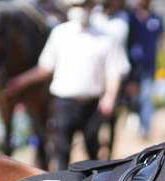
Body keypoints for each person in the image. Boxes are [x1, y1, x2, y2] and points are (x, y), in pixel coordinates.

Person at [7, 0, 130, 170]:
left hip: (92, 106)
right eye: (76, 6)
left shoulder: (106, 38)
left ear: (92, 7)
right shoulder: (59, 34)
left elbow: (113, 72)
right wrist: (21, 81)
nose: (80, 10)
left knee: (93, 154)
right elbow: (45, 68)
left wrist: (110, 96)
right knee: (61, 151)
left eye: (84, 5)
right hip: (64, 104)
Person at [90, 0, 130, 158]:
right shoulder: (93, 17)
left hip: (117, 72)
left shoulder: (126, 19)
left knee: (112, 114)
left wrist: (132, 79)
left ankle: (109, 153)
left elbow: (132, 48)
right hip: (96, 73)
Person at [127, 0, 165, 140]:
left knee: (146, 96)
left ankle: (144, 127)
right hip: (131, 65)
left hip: (148, 64)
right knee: (132, 96)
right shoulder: (130, 17)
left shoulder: (156, 19)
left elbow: (163, 37)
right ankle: (133, 115)